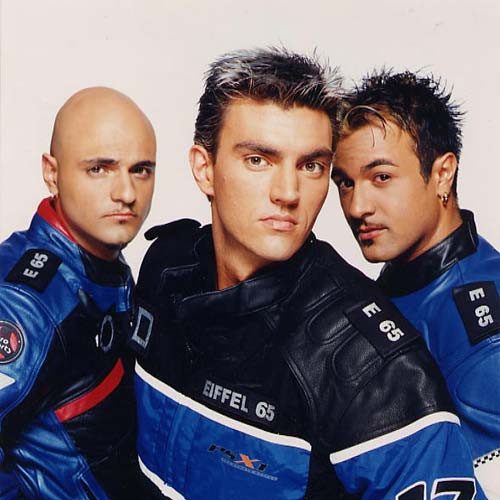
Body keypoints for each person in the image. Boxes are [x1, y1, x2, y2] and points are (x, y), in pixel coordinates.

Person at [131, 49, 483, 499]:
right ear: (205, 169)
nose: (288, 193)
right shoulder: (164, 267)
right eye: (259, 160)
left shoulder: (371, 365)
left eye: (311, 166)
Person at [332, 70, 499, 497]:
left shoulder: (483, 339)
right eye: (345, 182)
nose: (357, 206)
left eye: (381, 177)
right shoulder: (400, 286)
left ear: (442, 174)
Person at [0, 87, 156, 498]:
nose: (126, 193)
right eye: (100, 169)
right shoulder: (25, 304)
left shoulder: (99, 262)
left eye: (141, 170)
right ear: (52, 173)